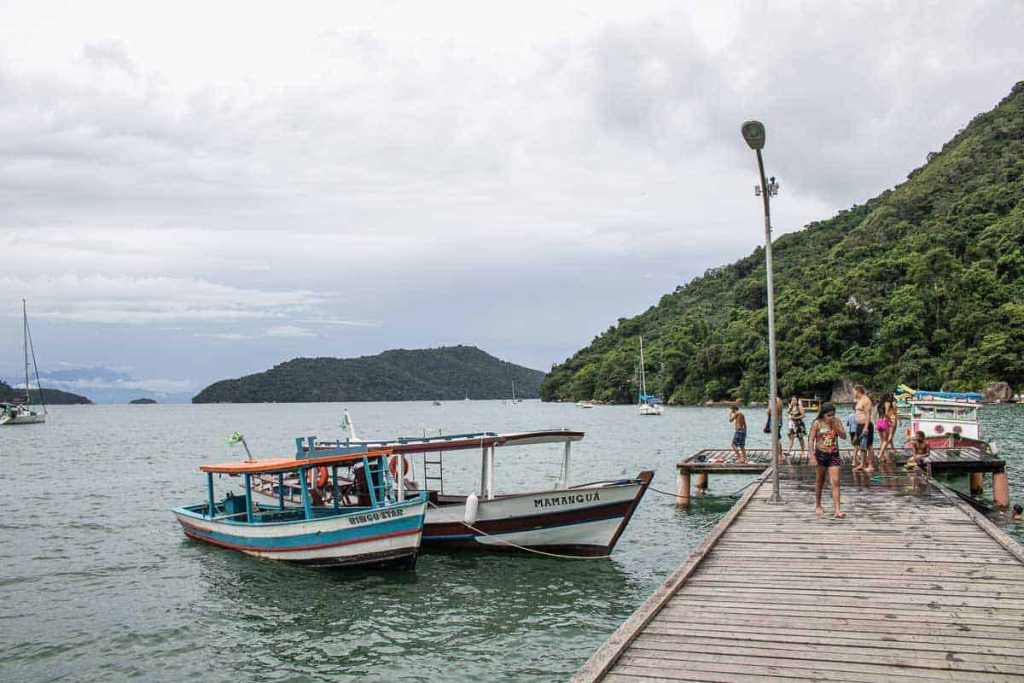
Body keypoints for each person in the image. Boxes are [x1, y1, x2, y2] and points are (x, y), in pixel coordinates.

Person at [807, 402, 847, 518]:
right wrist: (812, 456)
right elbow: (811, 440)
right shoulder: (817, 423)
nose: (831, 417)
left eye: (833, 415)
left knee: (835, 481)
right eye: (828, 415)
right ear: (823, 414)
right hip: (821, 454)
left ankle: (837, 510)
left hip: (834, 454)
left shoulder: (837, 422)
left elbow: (844, 436)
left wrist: (835, 427)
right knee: (820, 481)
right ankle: (818, 505)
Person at [852, 385, 875, 473]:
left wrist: (866, 427)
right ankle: (862, 464)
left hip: (866, 425)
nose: (853, 393)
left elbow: (868, 414)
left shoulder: (866, 400)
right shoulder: (859, 400)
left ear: (858, 391)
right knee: (861, 446)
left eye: (854, 391)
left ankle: (870, 465)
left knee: (868, 445)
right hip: (859, 426)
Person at [875, 393, 898, 464]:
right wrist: (890, 420)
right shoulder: (887, 403)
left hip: (879, 422)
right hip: (884, 422)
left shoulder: (878, 405)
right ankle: (880, 454)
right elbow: (886, 414)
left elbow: (874, 414)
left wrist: (875, 422)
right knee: (885, 440)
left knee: (882, 440)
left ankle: (883, 457)